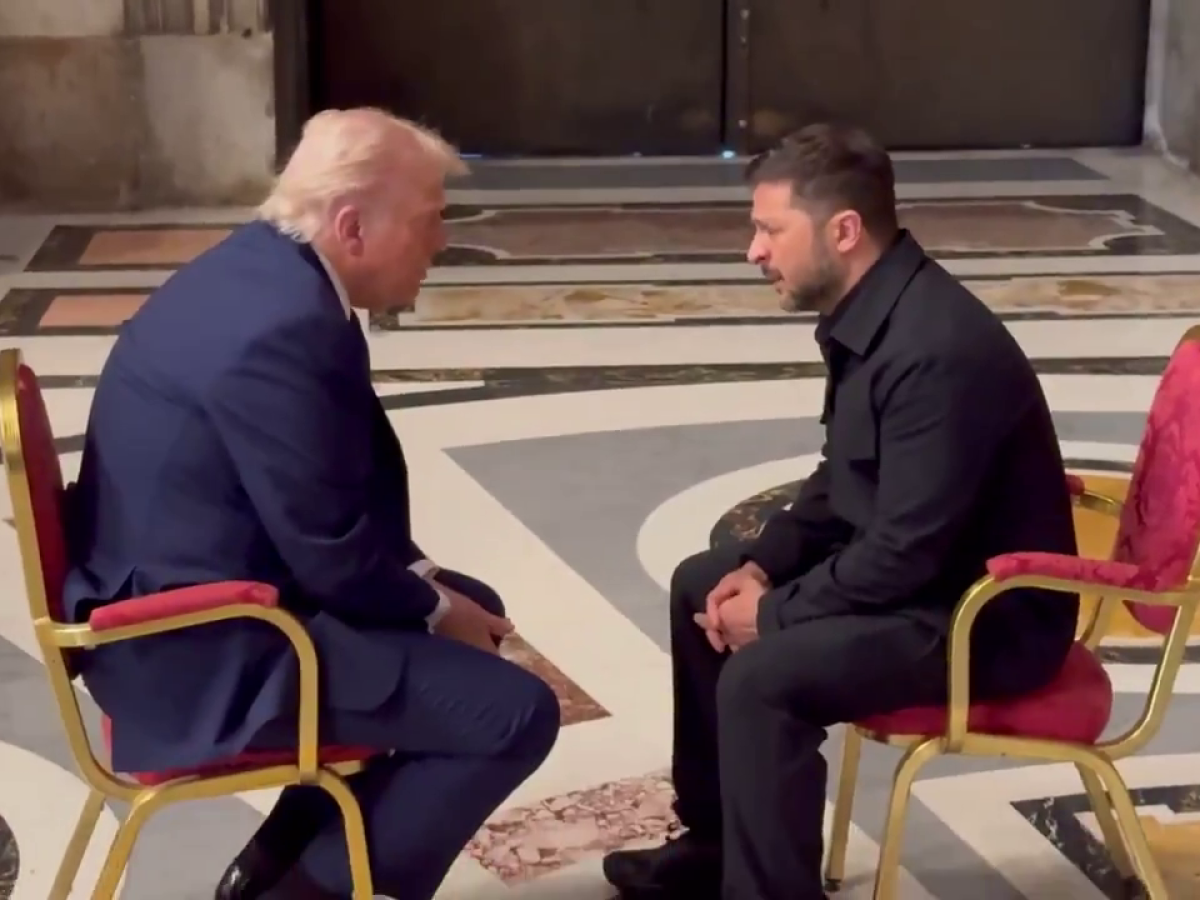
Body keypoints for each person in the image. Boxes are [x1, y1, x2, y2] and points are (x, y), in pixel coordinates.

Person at [63, 108, 561, 900]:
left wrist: (429, 585)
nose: (441, 243)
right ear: (352, 226)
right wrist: (433, 609)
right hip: (202, 646)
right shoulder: (282, 326)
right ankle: (316, 893)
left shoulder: (263, 273)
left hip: (201, 592)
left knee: (473, 610)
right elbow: (328, 549)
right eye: (429, 221)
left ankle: (275, 865)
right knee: (514, 713)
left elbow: (321, 497)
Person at [602, 123, 1079, 900]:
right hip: (923, 581)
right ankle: (716, 847)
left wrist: (775, 615)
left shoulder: (936, 351)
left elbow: (907, 553)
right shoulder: (876, 313)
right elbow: (844, 478)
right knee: (702, 581)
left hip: (982, 618)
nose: (753, 251)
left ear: (844, 230)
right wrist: (763, 566)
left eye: (770, 230)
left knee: (762, 678)